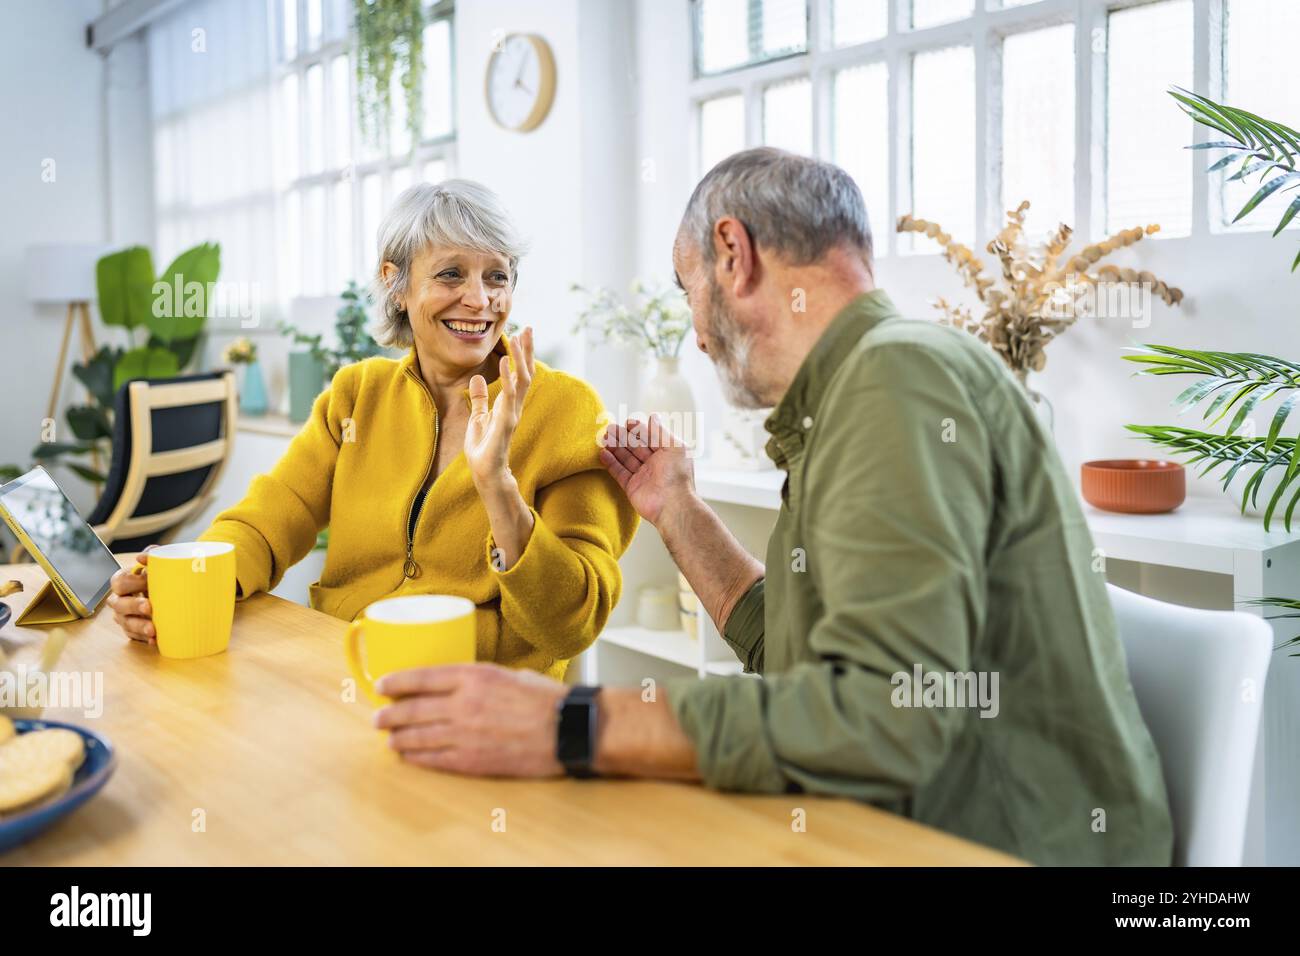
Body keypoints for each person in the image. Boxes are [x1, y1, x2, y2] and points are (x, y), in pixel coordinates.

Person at [367, 149, 1174, 866]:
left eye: (689, 294)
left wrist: (569, 724)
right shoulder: (861, 389)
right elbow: (802, 666)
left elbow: (882, 714)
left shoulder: (898, 381)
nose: (696, 337)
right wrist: (676, 510)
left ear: (732, 255)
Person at [106, 180, 639, 679]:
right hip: (343, 678)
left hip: (476, 705)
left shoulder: (566, 410)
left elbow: (571, 623)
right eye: (451, 274)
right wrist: (175, 586)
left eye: (496, 275)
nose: (479, 300)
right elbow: (268, 520)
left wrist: (498, 487)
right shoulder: (358, 395)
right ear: (395, 283)